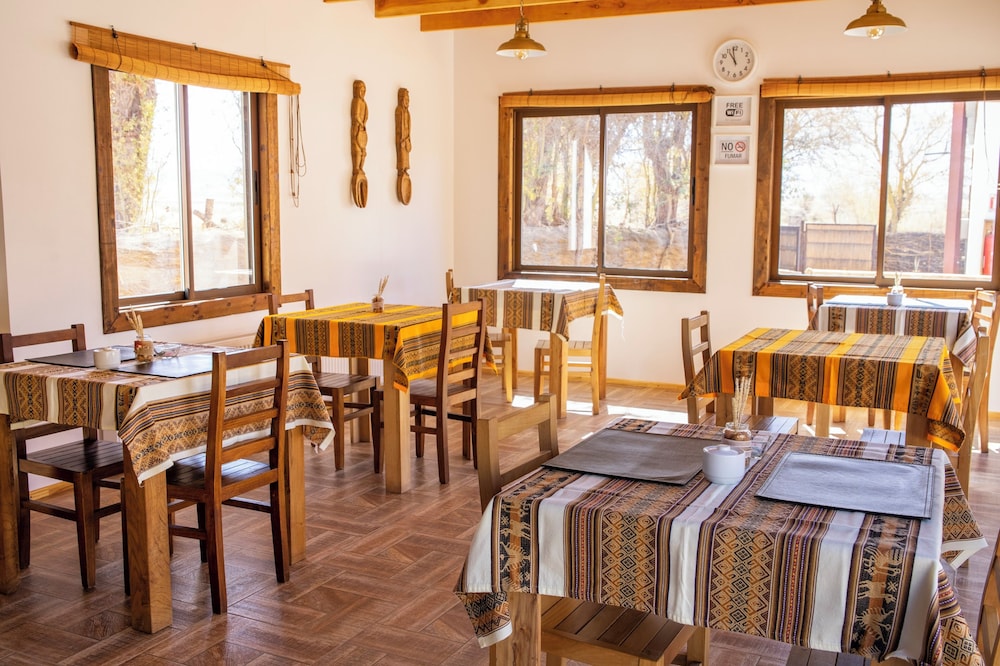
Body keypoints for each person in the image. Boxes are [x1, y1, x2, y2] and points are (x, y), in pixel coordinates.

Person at [351, 80, 368, 208]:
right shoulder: (356, 101)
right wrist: (361, 124)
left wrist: (364, 123)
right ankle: (357, 169)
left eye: (364, 90)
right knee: (357, 151)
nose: (363, 92)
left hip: (362, 130)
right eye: (361, 90)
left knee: (363, 152)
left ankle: (361, 168)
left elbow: (365, 116)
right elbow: (356, 115)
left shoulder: (364, 103)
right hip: (357, 129)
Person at [395, 87, 412, 205]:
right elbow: (399, 127)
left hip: (406, 139)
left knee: (406, 156)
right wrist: (402, 139)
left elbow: (409, 128)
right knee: (401, 155)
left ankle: (405, 170)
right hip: (401, 139)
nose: (407, 102)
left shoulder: (408, 113)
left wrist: (408, 139)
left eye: (408, 100)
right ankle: (402, 170)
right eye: (406, 99)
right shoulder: (399, 110)